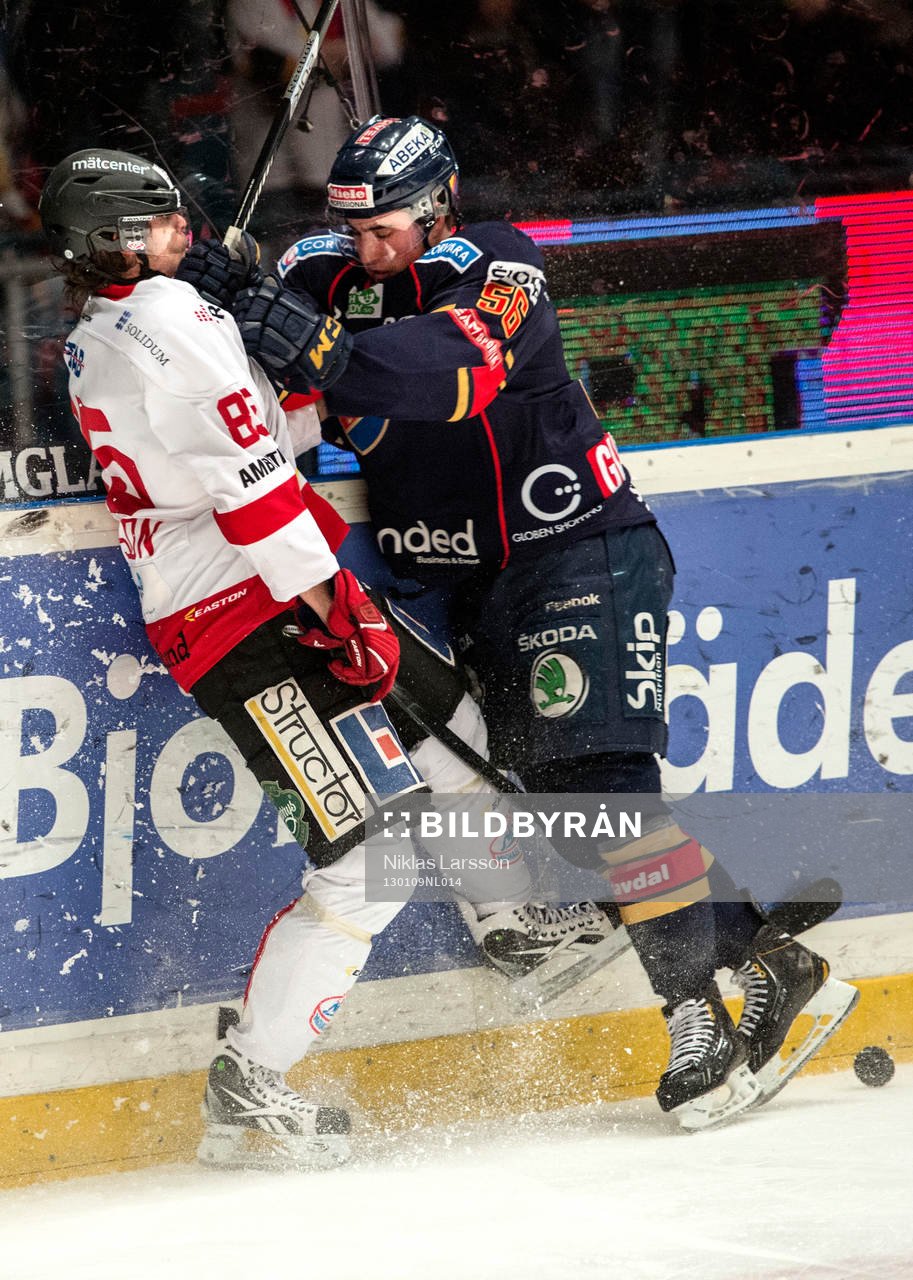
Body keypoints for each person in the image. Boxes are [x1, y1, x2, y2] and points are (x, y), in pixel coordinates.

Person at [211, 114, 859, 1130]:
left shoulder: (502, 266)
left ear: (438, 208)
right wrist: (221, 285)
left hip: (578, 550)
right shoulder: (324, 271)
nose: (364, 248)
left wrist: (321, 349)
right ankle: (767, 956)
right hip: (465, 588)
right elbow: (242, 375)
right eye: (351, 227)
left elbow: (446, 372)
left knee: (603, 790)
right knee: (562, 816)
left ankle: (697, 1020)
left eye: (384, 228)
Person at [38, 146, 620, 1169]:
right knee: (363, 863)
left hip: (269, 595)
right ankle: (252, 1085)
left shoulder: (104, 332)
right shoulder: (171, 324)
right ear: (120, 242)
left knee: (454, 725)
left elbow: (273, 434)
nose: (190, 225)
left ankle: (514, 921)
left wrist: (294, 354)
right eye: (167, 219)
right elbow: (258, 492)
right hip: (246, 621)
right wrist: (338, 610)